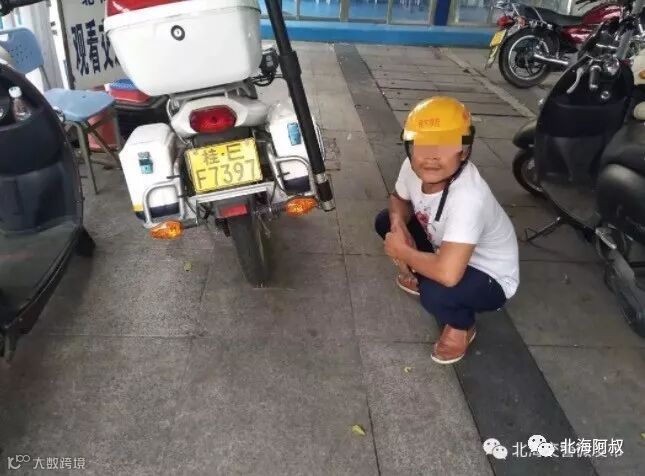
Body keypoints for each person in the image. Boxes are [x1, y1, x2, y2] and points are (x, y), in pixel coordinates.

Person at [374, 96, 519, 364]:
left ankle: (461, 325)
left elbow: (448, 275)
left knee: (437, 292)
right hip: (446, 248)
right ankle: (422, 272)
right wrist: (398, 226)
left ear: (464, 150)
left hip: (489, 274)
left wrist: (402, 251)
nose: (431, 156)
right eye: (422, 144)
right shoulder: (412, 166)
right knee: (385, 221)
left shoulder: (469, 198)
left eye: (445, 144)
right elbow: (398, 199)